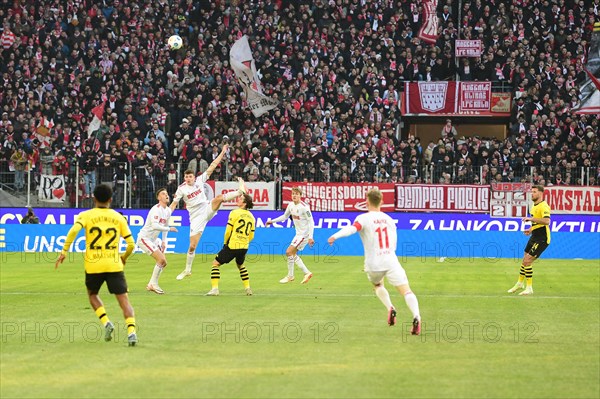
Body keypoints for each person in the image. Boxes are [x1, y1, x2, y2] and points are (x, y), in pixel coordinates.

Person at [327, 188, 421, 335]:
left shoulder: (363, 218)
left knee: (378, 285)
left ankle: (390, 307)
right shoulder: (389, 219)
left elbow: (352, 229)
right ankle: (416, 316)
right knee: (406, 291)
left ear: (367, 202)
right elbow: (394, 242)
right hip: (390, 260)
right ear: (381, 202)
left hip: (373, 263)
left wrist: (335, 236)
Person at [54, 184, 138, 346]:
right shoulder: (118, 217)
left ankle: (107, 322)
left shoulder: (86, 215)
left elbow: (73, 231)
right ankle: (131, 332)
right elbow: (131, 244)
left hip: (93, 265)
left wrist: (64, 251)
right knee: (124, 300)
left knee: (92, 295)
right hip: (114, 265)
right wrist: (124, 258)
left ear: (94, 198)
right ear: (110, 199)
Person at [170, 143, 247, 280]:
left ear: (194, 177)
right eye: (186, 177)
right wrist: (167, 214)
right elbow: (174, 203)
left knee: (218, 198)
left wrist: (223, 152)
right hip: (195, 217)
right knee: (192, 246)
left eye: (190, 177)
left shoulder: (200, 180)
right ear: (184, 178)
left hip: (206, 208)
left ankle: (240, 192)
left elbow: (213, 165)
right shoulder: (181, 189)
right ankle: (187, 270)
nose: (188, 179)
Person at [205, 193, 255, 296]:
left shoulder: (234, 213)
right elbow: (251, 236)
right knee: (240, 265)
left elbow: (228, 231)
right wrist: (244, 241)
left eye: (240, 199)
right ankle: (248, 288)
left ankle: (215, 289)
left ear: (244, 203)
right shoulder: (252, 217)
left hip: (233, 245)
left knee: (215, 263)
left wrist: (225, 243)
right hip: (244, 246)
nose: (238, 199)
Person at [507, 185, 551, 296]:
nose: (532, 194)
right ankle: (519, 283)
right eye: (532, 192)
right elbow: (537, 223)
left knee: (527, 261)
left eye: (534, 192)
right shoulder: (533, 206)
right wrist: (531, 229)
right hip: (535, 236)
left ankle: (529, 288)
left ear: (541, 193)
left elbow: (547, 221)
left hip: (542, 238)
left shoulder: (544, 206)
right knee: (524, 260)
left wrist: (530, 219)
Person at [265, 187, 314, 284]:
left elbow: (311, 222)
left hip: (304, 235)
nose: (294, 196)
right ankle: (307, 273)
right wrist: (272, 221)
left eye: (296, 194)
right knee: (292, 254)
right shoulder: (291, 205)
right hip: (298, 234)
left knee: (288, 252)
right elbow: (285, 216)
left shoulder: (304, 207)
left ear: (300, 195)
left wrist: (310, 237)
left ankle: (290, 276)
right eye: (293, 194)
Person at [136, 187, 178, 295]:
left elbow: (165, 225)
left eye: (167, 193)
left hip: (154, 240)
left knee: (164, 262)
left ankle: (151, 284)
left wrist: (164, 241)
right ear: (159, 197)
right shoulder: (156, 209)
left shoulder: (167, 211)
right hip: (144, 238)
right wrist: (170, 229)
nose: (166, 195)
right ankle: (153, 284)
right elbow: (155, 226)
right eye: (163, 194)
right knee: (161, 260)